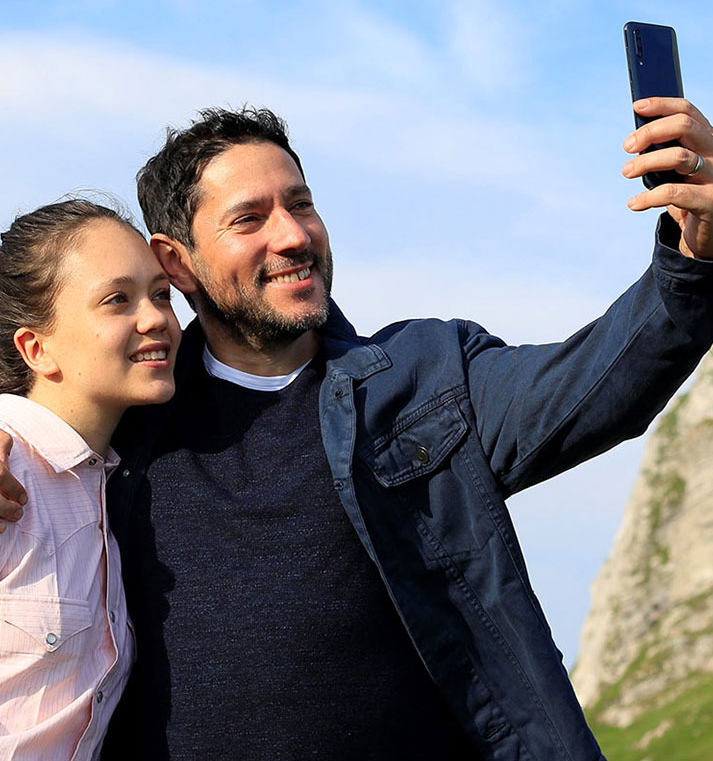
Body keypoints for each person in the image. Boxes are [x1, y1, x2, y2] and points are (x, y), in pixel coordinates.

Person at [1, 98, 713, 761]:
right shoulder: (129, 420)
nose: (292, 234)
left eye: (301, 204)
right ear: (178, 261)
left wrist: (694, 255)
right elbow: (41, 407)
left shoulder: (426, 378)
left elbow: (598, 386)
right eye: (249, 218)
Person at [0, 200, 180, 760]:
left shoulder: (111, 479)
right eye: (116, 300)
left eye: (161, 294)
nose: (155, 319)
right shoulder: (11, 474)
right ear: (37, 348)